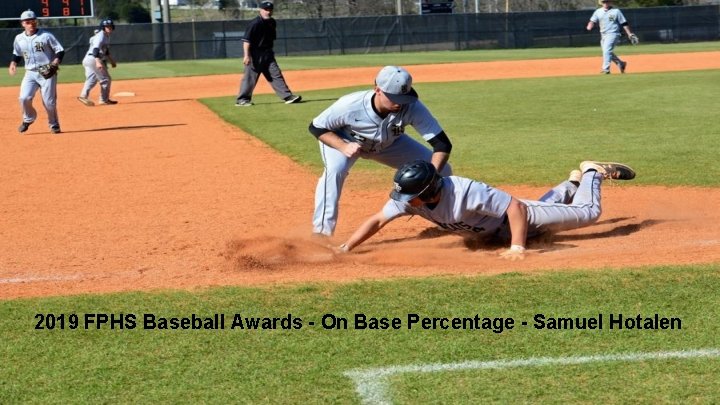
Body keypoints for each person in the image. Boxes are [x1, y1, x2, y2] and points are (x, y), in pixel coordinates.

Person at [336, 160, 636, 260]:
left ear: (429, 191)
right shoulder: (408, 200)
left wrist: (517, 247)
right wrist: (347, 247)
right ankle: (570, 185)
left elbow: (515, 207)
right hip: (498, 227)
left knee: (588, 213)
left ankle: (592, 173)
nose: (405, 201)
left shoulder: (466, 192)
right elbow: (378, 220)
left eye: (412, 195)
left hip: (519, 218)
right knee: (551, 209)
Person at [309, 65, 454, 236]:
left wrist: (431, 178)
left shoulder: (412, 107)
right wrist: (342, 146)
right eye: (394, 98)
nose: (400, 103)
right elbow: (316, 127)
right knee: (334, 171)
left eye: (403, 97)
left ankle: (449, 220)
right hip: (345, 139)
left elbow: (442, 145)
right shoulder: (350, 105)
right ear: (377, 89)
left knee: (443, 170)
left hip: (389, 144)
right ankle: (321, 233)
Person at [8, 10, 65, 134]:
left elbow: (60, 50)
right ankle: (28, 119)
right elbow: (17, 53)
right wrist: (13, 63)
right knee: (24, 98)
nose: (31, 24)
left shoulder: (46, 36)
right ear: (22, 23)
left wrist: (55, 62)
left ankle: (54, 124)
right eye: (28, 22)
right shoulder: (19, 38)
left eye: (33, 21)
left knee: (49, 101)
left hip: (47, 71)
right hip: (30, 73)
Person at [235, 1, 301, 106]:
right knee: (250, 77)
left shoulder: (272, 22)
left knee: (276, 74)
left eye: (270, 10)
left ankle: (287, 96)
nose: (268, 12)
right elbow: (246, 41)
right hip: (255, 54)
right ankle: (242, 99)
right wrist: (246, 55)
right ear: (260, 10)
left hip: (268, 53)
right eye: (266, 10)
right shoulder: (255, 23)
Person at [586, 0, 635, 74]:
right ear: (601, 3)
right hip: (603, 35)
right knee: (607, 52)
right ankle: (621, 63)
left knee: (606, 51)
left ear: (610, 2)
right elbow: (592, 20)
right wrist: (590, 25)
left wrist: (629, 34)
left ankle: (606, 69)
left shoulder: (616, 11)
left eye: (607, 1)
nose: (605, 3)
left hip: (613, 33)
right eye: (604, 2)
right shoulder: (598, 11)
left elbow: (624, 23)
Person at [78, 18, 118, 106]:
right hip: (93, 59)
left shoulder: (106, 36)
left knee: (91, 79)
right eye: (106, 26)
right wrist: (98, 62)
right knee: (106, 79)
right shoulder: (101, 36)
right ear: (103, 27)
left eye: (110, 26)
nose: (109, 28)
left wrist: (112, 61)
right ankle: (104, 100)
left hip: (88, 59)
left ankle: (83, 96)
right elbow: (95, 50)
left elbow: (105, 51)